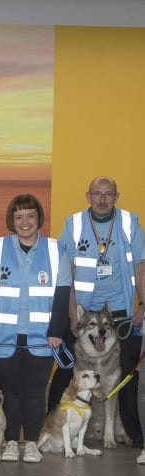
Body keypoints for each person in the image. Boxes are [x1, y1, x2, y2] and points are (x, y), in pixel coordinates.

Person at [52, 176, 145, 451]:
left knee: (126, 374)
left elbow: (140, 267)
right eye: (97, 194)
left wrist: (143, 306)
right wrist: (71, 314)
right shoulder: (74, 224)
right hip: (83, 313)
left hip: (121, 311)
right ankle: (50, 426)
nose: (102, 199)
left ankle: (131, 432)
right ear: (88, 196)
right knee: (67, 372)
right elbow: (65, 272)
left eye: (108, 194)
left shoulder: (130, 223)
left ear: (116, 197)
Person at [0, 194, 70, 463]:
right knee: (8, 391)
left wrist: (57, 330)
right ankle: (8, 442)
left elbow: (62, 293)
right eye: (18, 217)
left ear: (39, 218)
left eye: (30, 216)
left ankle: (30, 442)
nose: (25, 222)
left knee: (33, 391)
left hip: (42, 336)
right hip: (2, 335)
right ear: (12, 220)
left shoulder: (57, 250)